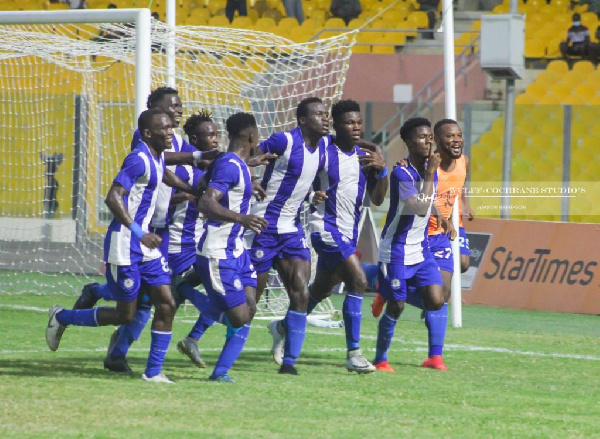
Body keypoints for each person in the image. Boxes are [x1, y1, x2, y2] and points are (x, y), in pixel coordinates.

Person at [70, 87, 217, 373]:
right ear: (153, 110)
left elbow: (196, 165)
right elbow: (169, 163)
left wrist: (226, 162)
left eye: (179, 106)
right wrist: (198, 158)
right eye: (171, 106)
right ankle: (120, 343)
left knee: (154, 299)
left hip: (170, 232)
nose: (177, 110)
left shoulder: (181, 144)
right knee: (151, 300)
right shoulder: (147, 138)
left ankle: (121, 347)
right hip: (152, 234)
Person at [45, 108, 198, 383]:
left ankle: (153, 373)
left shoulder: (158, 156)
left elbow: (166, 176)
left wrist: (194, 188)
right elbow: (113, 198)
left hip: (146, 246)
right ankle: (63, 316)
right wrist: (139, 232)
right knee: (124, 314)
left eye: (170, 128)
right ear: (148, 133)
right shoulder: (137, 159)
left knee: (166, 302)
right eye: (164, 129)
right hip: (126, 244)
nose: (170, 132)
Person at [269, 99, 388, 373]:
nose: (356, 127)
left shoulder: (365, 157)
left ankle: (282, 327)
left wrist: (382, 168)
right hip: (324, 228)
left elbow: (378, 199)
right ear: (335, 125)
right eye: (348, 122)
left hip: (349, 233)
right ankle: (354, 353)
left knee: (321, 289)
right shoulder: (323, 148)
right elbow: (303, 171)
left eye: (358, 122)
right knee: (358, 281)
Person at [372, 119, 469, 371]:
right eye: (422, 138)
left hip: (422, 248)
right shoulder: (401, 174)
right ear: (408, 143)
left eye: (429, 137)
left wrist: (445, 217)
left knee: (437, 299)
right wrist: (428, 174)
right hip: (397, 250)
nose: (428, 142)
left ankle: (434, 356)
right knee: (398, 305)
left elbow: (431, 202)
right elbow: (420, 206)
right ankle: (380, 359)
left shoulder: (430, 168)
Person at [246, 97, 330, 375]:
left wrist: (312, 195)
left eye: (326, 113)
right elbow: (243, 156)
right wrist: (251, 178)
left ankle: (290, 362)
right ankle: (197, 335)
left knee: (301, 293)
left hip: (291, 229)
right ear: (304, 121)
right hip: (262, 226)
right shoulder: (284, 141)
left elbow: (296, 181)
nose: (325, 118)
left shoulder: (323, 149)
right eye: (319, 114)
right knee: (249, 303)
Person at [194, 112, 268, 382]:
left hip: (236, 250)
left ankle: (221, 372)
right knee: (238, 317)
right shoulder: (229, 165)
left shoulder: (237, 165)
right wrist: (242, 217)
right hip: (217, 252)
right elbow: (206, 201)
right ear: (251, 136)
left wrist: (250, 186)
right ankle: (183, 289)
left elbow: (204, 183)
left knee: (249, 309)